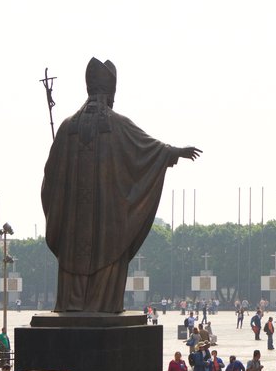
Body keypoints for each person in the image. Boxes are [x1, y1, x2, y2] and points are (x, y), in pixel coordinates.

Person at [41, 58, 200, 313]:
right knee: (108, 254)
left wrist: (60, 206)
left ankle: (72, 306)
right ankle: (100, 306)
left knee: (74, 262)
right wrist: (175, 152)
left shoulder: (66, 127)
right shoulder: (118, 124)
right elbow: (148, 150)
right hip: (107, 229)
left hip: (72, 231)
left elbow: (50, 179)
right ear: (110, 92)